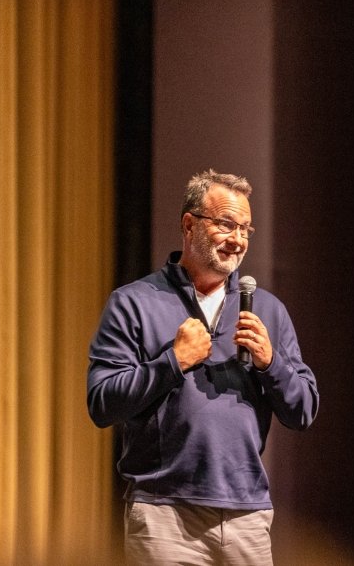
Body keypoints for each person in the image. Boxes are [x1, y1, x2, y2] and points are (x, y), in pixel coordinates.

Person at [87, 169, 319, 565]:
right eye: (226, 224)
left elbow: (303, 410)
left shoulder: (267, 311)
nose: (238, 240)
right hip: (164, 515)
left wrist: (270, 363)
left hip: (246, 514)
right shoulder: (135, 303)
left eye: (246, 228)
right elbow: (102, 403)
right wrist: (172, 362)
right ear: (189, 224)